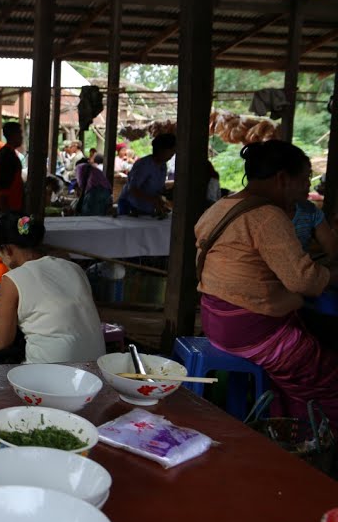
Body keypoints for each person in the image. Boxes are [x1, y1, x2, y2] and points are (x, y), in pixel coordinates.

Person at [196, 140, 338, 424]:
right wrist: (332, 275)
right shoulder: (267, 217)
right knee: (329, 379)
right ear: (283, 178)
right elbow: (304, 281)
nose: (307, 187)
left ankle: (286, 427)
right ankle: (314, 449)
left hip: (215, 319)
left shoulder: (223, 205)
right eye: (305, 178)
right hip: (250, 331)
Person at [0, 213, 106, 363]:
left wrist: (2, 306)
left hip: (49, 375)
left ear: (7, 250)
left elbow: (1, 344)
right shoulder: (74, 268)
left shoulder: (12, 279)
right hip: (95, 368)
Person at [117, 133, 177, 216]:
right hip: (131, 206)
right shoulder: (144, 165)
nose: (173, 153)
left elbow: (158, 188)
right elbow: (133, 189)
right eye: (171, 150)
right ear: (161, 150)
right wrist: (153, 200)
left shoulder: (163, 165)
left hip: (146, 208)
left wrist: (167, 193)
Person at [0, 122, 24, 212]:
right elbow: (2, 189)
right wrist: (6, 214)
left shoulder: (4, 153)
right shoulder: (8, 157)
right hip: (10, 209)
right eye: (20, 133)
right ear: (13, 135)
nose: (22, 137)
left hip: (8, 208)